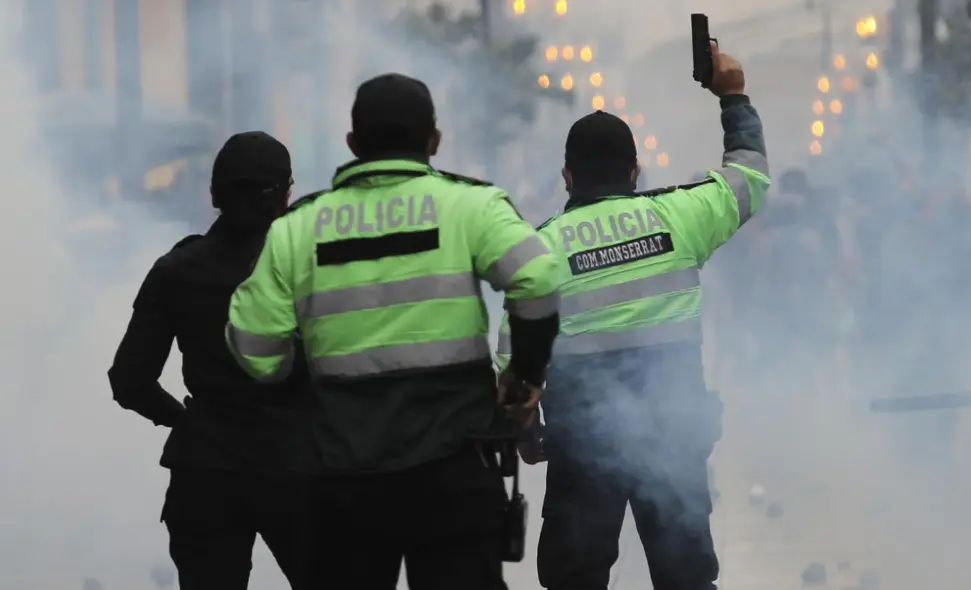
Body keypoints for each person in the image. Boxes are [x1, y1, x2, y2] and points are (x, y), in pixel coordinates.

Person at [225, 73, 562, 590]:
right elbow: (537, 278)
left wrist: (295, 375)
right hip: (454, 466)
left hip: (343, 478)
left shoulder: (297, 228)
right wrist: (525, 376)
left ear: (354, 144)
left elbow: (254, 347)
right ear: (434, 140)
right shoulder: (470, 205)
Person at [496, 43, 769, 590]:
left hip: (580, 452)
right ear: (635, 169)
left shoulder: (539, 253)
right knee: (685, 578)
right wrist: (733, 96)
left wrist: (524, 438)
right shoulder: (680, 216)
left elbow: (515, 375)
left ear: (568, 176)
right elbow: (750, 179)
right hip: (672, 439)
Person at [107, 131, 313, 590]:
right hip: (298, 466)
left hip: (205, 470)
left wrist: (185, 422)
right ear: (283, 196)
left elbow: (129, 381)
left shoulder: (175, 270)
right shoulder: (308, 267)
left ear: (214, 194)